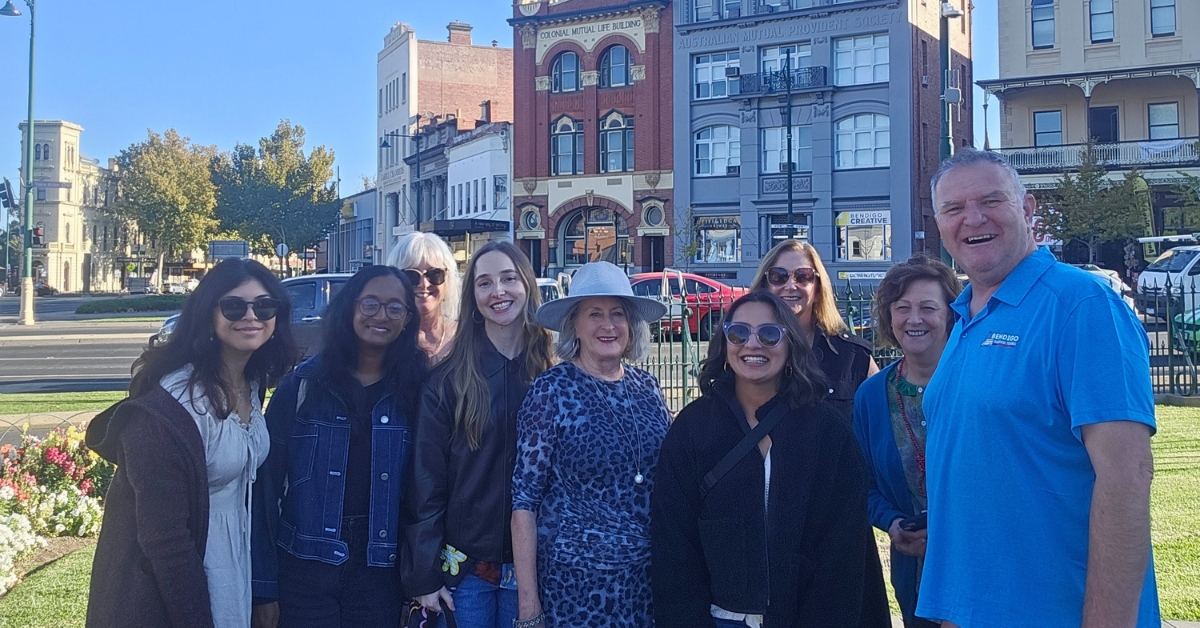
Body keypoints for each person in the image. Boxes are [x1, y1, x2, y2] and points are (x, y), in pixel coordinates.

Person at [919, 149, 1158, 628]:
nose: (973, 219)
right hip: (970, 610)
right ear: (940, 224)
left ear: (1028, 210)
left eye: (991, 201)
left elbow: (1127, 478)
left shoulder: (1082, 306)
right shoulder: (965, 316)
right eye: (954, 209)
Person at [651, 291, 891, 628]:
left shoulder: (827, 431)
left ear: (790, 344)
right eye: (739, 333)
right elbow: (673, 543)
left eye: (769, 334)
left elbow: (844, 553)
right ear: (725, 343)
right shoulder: (692, 428)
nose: (752, 344)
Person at [86, 258, 298, 628]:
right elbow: (165, 541)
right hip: (177, 580)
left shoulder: (250, 383)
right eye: (234, 306)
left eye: (264, 306)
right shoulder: (173, 406)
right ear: (209, 315)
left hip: (234, 565)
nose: (251, 316)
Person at [250, 265, 428, 628]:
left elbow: (427, 493)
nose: (382, 315)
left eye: (396, 308)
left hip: (381, 574)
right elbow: (265, 490)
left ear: (408, 320)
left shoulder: (421, 390)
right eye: (371, 304)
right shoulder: (303, 385)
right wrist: (263, 589)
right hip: (303, 568)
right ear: (350, 307)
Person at [510, 261, 671, 628]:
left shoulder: (647, 388)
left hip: (644, 585)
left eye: (618, 314)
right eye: (594, 314)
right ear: (574, 326)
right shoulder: (551, 391)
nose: (608, 325)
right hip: (574, 588)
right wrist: (529, 607)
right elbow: (524, 503)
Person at [404, 242, 555, 628]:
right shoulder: (447, 381)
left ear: (527, 285)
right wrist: (424, 574)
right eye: (484, 282)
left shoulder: (554, 375)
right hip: (467, 572)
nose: (498, 291)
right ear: (473, 296)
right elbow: (425, 483)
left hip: (539, 567)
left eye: (508, 278)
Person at [850, 257, 961, 628]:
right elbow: (861, 484)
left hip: (984, 567)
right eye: (902, 308)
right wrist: (893, 522)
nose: (915, 319)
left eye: (928, 308)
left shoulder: (975, 384)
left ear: (950, 314)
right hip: (915, 577)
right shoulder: (870, 396)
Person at [750, 239, 878, 418]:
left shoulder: (853, 356)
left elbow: (881, 425)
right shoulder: (744, 349)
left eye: (803, 276)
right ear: (765, 287)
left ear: (818, 290)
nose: (790, 286)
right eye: (778, 276)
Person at [387, 232, 462, 364]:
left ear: (448, 280)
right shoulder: (386, 337)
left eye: (435, 274)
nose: (424, 284)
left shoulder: (465, 336)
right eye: (412, 275)